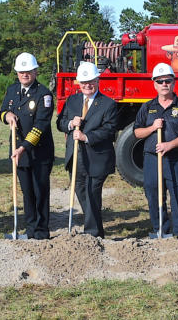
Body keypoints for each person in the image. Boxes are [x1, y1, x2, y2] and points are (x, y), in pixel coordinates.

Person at [134, 62, 178, 240]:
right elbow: (137, 132)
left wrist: (170, 145)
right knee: (153, 193)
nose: (164, 84)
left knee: (177, 194)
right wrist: (153, 128)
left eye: (167, 81)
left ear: (173, 82)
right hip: (152, 158)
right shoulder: (147, 107)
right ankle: (160, 229)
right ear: (154, 83)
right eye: (160, 81)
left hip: (174, 157)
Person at [57, 61, 119, 238]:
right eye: (84, 82)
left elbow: (109, 130)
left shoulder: (108, 104)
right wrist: (70, 124)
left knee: (92, 192)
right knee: (81, 191)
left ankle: (92, 234)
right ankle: (95, 226)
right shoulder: (72, 100)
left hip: (97, 158)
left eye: (91, 81)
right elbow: (60, 123)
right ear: (79, 83)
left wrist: (86, 137)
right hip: (76, 156)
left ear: (98, 81)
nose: (87, 85)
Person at [0, 52, 55, 239]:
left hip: (38, 152)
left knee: (40, 192)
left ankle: (41, 232)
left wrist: (23, 147)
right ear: (17, 73)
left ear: (36, 71)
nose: (25, 74)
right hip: (19, 152)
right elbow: (2, 111)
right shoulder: (12, 90)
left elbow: (40, 126)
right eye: (21, 71)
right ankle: (30, 229)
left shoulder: (44, 94)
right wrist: (7, 115)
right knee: (27, 193)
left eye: (29, 71)